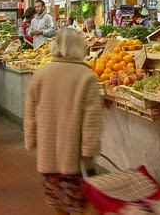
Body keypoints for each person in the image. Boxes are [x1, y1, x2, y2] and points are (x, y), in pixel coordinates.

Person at [24, 28, 103, 215]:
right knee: (79, 204)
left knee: (59, 203)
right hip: (75, 157)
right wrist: (89, 150)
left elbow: (30, 112)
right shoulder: (87, 76)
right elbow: (91, 119)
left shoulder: (41, 73)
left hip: (48, 154)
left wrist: (31, 140)